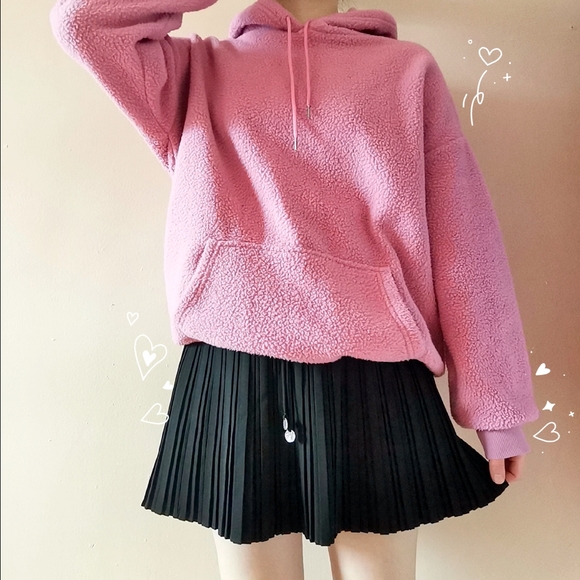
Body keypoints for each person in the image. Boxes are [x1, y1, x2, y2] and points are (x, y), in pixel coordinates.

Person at [49, 0, 540, 578]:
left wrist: (495, 406)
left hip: (374, 370)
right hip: (233, 364)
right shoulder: (193, 71)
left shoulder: (407, 71)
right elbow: (82, 21)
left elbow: (464, 241)